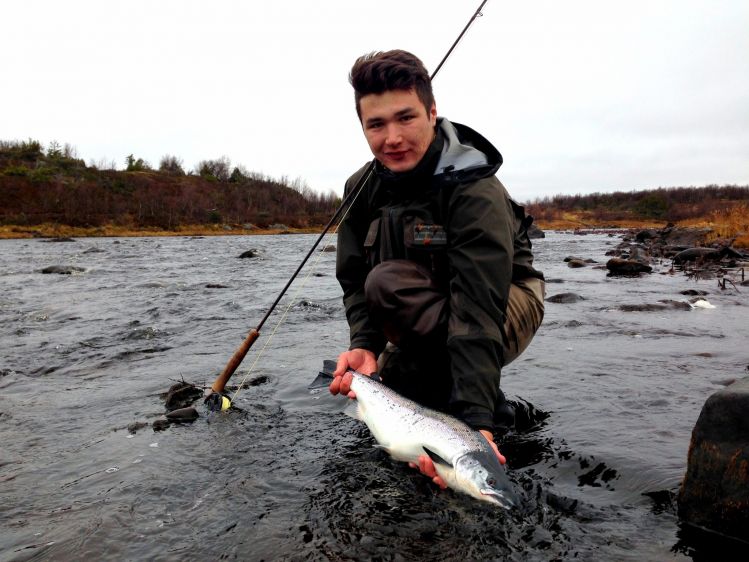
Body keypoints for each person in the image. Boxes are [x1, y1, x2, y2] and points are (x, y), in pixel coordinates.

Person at [330, 49, 545, 488]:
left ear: (432, 112)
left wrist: (474, 425)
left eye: (405, 118)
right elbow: (354, 279)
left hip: (507, 298)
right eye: (376, 124)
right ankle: (436, 383)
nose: (392, 137)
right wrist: (365, 345)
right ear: (363, 128)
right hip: (425, 301)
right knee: (395, 379)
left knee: (433, 380)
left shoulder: (473, 187)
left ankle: (486, 406)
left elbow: (477, 307)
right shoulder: (361, 189)